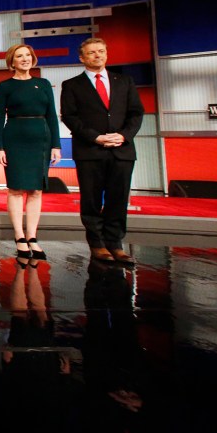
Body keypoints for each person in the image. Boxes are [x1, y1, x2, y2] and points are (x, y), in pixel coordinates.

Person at [60, 37, 144, 265]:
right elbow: (70, 117)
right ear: (82, 58)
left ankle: (115, 244)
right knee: (91, 200)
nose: (97, 55)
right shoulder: (72, 85)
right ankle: (97, 244)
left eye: (101, 51)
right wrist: (95, 137)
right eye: (92, 52)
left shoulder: (124, 81)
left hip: (121, 149)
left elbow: (136, 113)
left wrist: (124, 135)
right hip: (90, 150)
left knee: (119, 198)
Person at [0, 43, 61, 263]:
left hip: (41, 139)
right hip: (14, 137)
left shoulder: (43, 84)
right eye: (19, 56)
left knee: (36, 190)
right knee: (15, 189)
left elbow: (52, 115)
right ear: (12, 62)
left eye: (28, 55)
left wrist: (56, 145)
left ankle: (32, 236)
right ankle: (19, 236)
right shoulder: (5, 86)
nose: (25, 59)